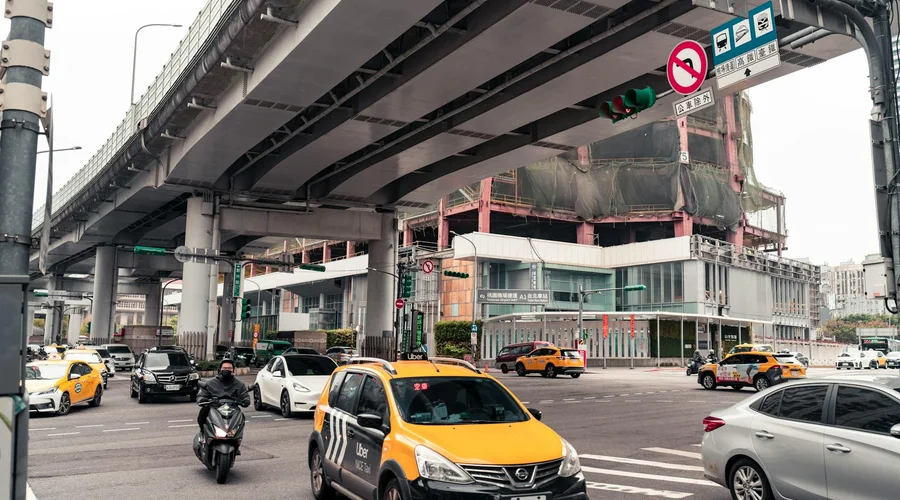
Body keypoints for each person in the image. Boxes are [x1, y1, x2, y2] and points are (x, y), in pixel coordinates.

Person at [196, 358, 250, 431]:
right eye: (224, 368)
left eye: (229, 368)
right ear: (220, 369)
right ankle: (203, 433)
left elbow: (245, 396)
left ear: (233, 370)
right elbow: (201, 395)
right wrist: (202, 399)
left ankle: (237, 438)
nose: (227, 370)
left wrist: (245, 401)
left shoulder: (239, 384)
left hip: (232, 410)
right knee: (203, 412)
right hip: (214, 409)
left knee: (241, 417)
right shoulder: (210, 383)